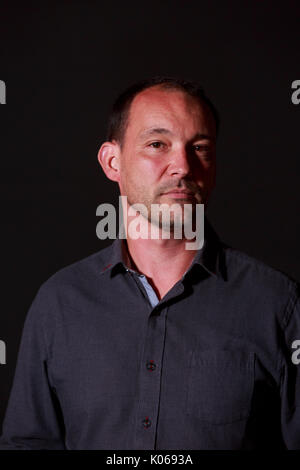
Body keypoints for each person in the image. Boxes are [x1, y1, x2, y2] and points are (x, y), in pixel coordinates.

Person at [0, 76, 300, 450]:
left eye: (200, 147)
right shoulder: (59, 303)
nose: (183, 166)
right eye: (157, 144)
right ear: (113, 162)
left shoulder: (277, 304)